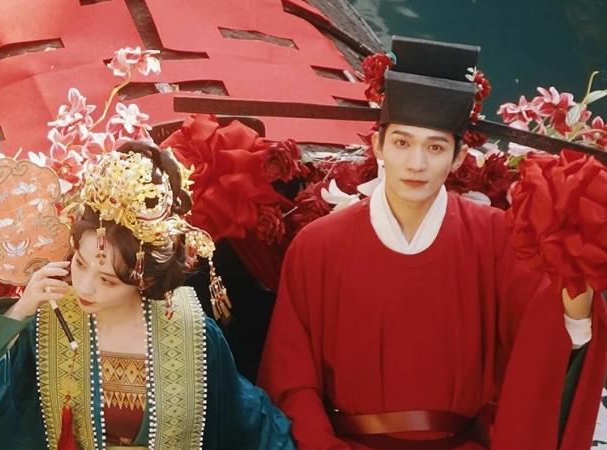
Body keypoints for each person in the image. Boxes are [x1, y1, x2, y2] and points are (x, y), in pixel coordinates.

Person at [258, 36, 605, 450]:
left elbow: (549, 336)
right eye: (402, 143)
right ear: (378, 145)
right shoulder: (318, 246)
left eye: (436, 147)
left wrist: (577, 259)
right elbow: (291, 381)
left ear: (458, 157)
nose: (417, 163)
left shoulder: (497, 237)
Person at [0, 141, 295, 450]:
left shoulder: (192, 333)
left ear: (144, 282)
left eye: (108, 280)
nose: (85, 287)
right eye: (79, 263)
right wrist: (18, 313)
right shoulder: (47, 325)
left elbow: (243, 420)